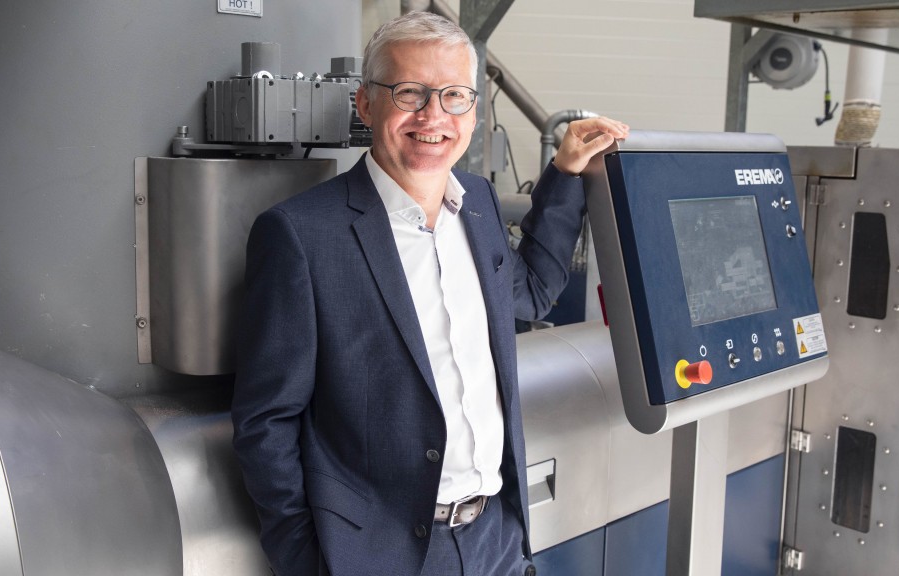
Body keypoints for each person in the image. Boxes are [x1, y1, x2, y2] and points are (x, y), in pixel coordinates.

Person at [232, 10, 628, 576]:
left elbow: (533, 292)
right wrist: (307, 561)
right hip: (381, 557)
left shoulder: (481, 206)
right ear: (365, 104)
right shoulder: (301, 235)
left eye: (454, 97)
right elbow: (266, 421)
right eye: (410, 93)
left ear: (473, 108)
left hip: (496, 540)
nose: (433, 117)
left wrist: (564, 176)